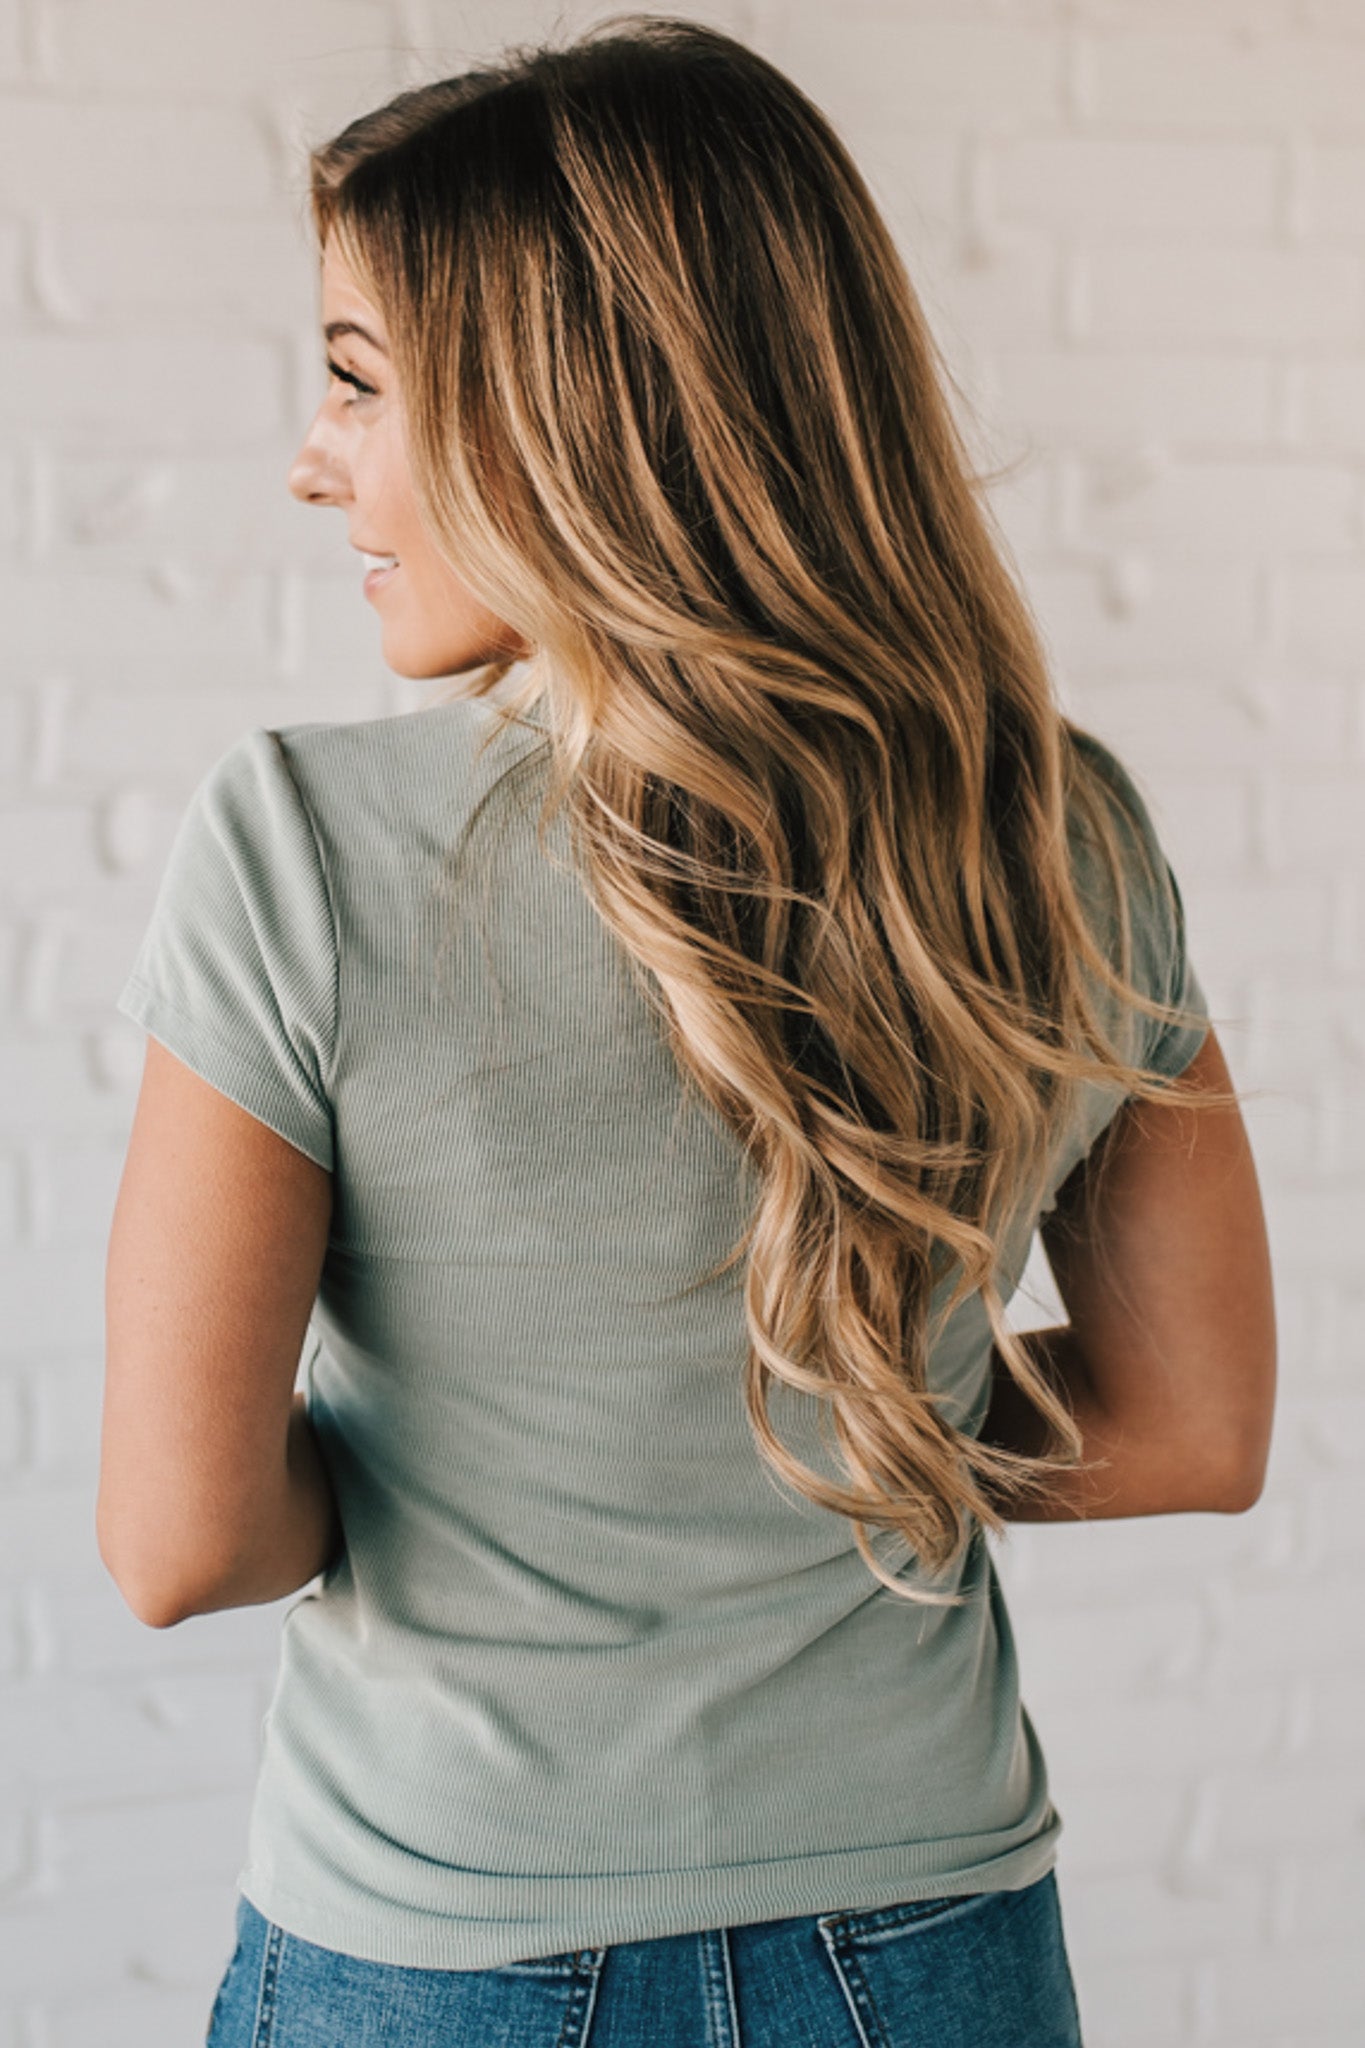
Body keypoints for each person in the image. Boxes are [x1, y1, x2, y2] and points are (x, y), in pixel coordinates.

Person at [97, 17, 1277, 2046]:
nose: (313, 457)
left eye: (360, 386)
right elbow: (1190, 1423)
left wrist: (481, 1474)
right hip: (926, 1942)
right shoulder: (1053, 824)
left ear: (566, 418)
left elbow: (179, 1537)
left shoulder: (298, 845)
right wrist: (848, 1418)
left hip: (434, 1942)